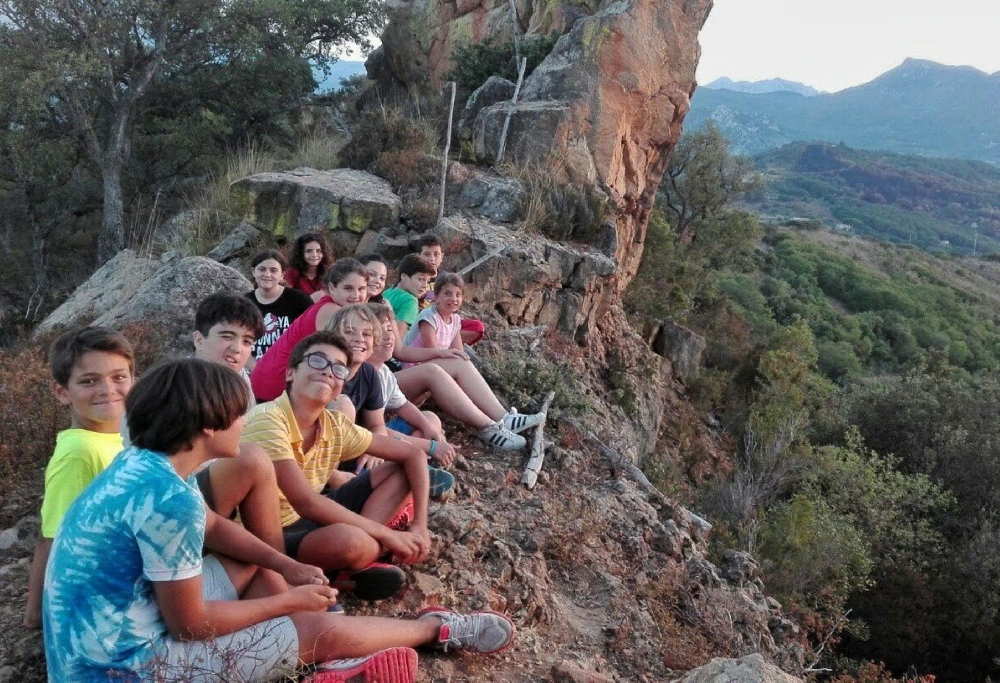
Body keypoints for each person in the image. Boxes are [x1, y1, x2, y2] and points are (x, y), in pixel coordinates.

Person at [43, 358, 515, 682]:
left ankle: (311, 656)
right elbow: (189, 626)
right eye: (238, 415)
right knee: (314, 630)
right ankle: (436, 629)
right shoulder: (169, 501)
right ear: (207, 426)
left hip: (102, 638)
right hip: (126, 669)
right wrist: (287, 602)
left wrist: (285, 566)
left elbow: (215, 527)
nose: (244, 422)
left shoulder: (145, 464)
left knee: (253, 562)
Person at [243, 331, 441, 601]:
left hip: (310, 518)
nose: (328, 371)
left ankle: (356, 564)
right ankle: (358, 560)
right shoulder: (268, 420)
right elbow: (306, 502)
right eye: (317, 361)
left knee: (400, 471)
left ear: (341, 385)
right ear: (290, 373)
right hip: (268, 534)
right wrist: (388, 536)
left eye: (338, 369)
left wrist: (420, 525)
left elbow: (413, 455)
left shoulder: (333, 424)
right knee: (352, 542)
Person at [23, 326, 135, 629]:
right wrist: (36, 616)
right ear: (62, 392)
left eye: (119, 377)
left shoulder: (120, 438)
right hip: (105, 605)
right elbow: (53, 537)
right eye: (89, 381)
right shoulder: (79, 451)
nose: (107, 389)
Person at [395, 272, 545, 443]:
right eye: (447, 294)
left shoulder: (455, 320)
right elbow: (432, 353)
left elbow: (459, 353)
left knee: (462, 361)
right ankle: (494, 423)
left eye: (458, 295)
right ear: (436, 296)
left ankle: (503, 418)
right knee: (457, 364)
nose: (453, 299)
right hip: (414, 370)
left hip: (433, 369)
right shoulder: (429, 318)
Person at [326, 305, 456, 496]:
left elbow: (381, 422)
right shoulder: (326, 372)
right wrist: (431, 447)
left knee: (429, 419)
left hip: (362, 441)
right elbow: (360, 429)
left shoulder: (372, 373)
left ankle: (409, 469)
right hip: (332, 449)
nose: (359, 339)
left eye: (367, 334)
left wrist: (376, 447)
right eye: (349, 332)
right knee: (343, 405)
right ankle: (340, 480)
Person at [191, 292, 286, 550]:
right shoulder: (181, 387)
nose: (237, 349)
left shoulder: (241, 381)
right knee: (253, 458)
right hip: (181, 496)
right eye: (226, 336)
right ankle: (277, 563)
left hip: (225, 487)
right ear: (199, 339)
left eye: (247, 341)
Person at [251, 258, 368, 402]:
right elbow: (342, 358)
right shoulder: (332, 311)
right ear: (332, 288)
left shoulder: (332, 307)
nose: (356, 295)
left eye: (361, 289)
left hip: (276, 377)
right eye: (348, 288)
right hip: (278, 382)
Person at [414, 234, 486, 345]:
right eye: (427, 254)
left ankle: (446, 341)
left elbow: (452, 308)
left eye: (436, 254)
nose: (432, 259)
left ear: (442, 256)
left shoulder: (446, 279)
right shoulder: (414, 277)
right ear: (419, 256)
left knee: (477, 327)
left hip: (444, 319)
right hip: (422, 320)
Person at [246, 249, 314, 364]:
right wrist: (257, 370)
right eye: (262, 269)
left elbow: (311, 339)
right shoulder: (244, 303)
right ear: (253, 272)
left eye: (273, 270)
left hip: (289, 366)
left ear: (282, 274)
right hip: (251, 367)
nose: (267, 274)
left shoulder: (300, 301)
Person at [383, 254, 436, 339]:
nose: (425, 285)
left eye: (427, 281)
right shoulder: (410, 301)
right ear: (404, 276)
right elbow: (397, 338)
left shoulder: (386, 292)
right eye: (420, 279)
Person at [284, 232, 334, 298]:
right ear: (301, 253)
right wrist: (310, 298)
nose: (314, 255)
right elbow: (285, 296)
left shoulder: (328, 271)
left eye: (318, 251)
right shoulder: (292, 272)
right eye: (309, 251)